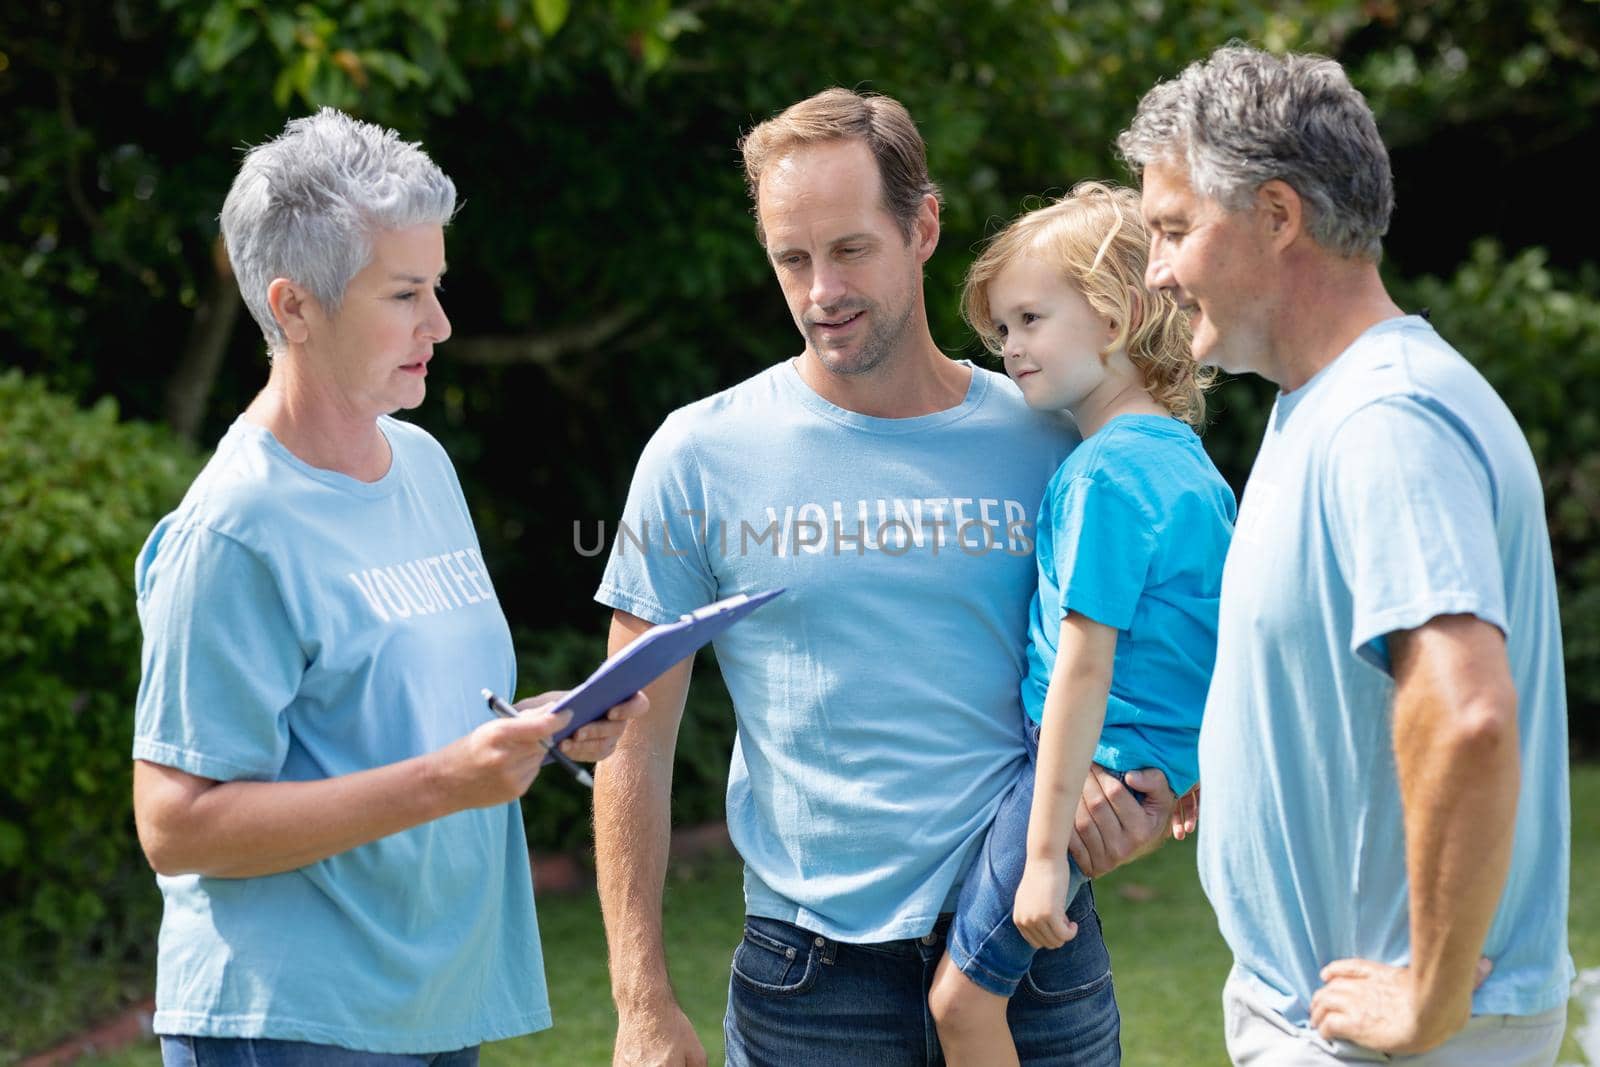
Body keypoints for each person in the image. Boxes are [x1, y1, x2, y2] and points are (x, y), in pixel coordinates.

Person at [592, 88, 1183, 1067]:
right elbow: (633, 741)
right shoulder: (700, 454)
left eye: (850, 248)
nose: (821, 287)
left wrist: (1152, 792)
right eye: (792, 257)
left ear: (923, 226)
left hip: (1031, 955)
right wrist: (641, 999)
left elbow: (1161, 636)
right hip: (808, 981)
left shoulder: (1053, 437)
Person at [130, 108, 646, 1066]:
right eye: (406, 294)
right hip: (291, 1023)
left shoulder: (420, 464)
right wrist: (447, 781)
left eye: (436, 288)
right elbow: (175, 823)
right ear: (294, 307)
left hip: (430, 1002)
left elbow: (404, 720)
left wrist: (535, 728)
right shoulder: (233, 531)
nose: (440, 325)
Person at [1118, 45, 1574, 1065]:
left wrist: (1429, 1000)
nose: (1156, 270)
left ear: (1277, 217)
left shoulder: (1385, 418)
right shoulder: (1322, 406)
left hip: (1391, 1041)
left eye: (1173, 230)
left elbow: (1464, 712)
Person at [925, 183, 1234, 1065]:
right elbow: (1207, 631)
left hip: (1081, 773)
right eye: (1002, 331)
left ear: (1116, 318)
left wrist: (1046, 851)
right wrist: (1190, 760)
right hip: (1140, 767)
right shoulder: (1188, 462)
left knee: (961, 1005)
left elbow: (1083, 668)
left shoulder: (1105, 474)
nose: (1010, 348)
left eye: (1029, 318)